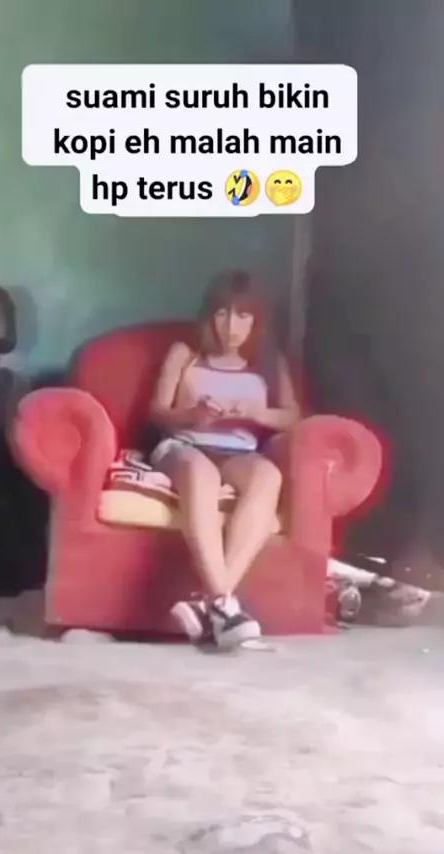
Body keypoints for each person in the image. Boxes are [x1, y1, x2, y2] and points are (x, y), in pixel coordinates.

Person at [149, 270, 299, 649]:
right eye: (222, 313)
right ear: (209, 316)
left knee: (268, 477)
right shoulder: (185, 354)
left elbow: (293, 417)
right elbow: (157, 411)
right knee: (201, 474)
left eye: (243, 315)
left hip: (240, 451)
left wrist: (256, 413)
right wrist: (193, 415)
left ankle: (211, 605)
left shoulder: (268, 362)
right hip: (185, 447)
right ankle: (223, 602)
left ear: (256, 320)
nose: (231, 326)